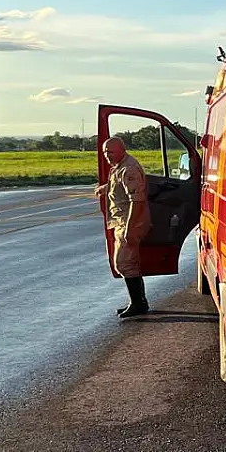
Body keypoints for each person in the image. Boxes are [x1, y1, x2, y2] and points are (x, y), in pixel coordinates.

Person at [94, 136, 152, 318]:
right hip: (123, 222)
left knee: (124, 263)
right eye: (105, 152)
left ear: (121, 150)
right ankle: (138, 301)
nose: (107, 156)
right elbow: (118, 186)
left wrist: (130, 228)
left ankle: (138, 304)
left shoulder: (129, 168)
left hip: (130, 222)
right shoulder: (120, 167)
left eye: (110, 152)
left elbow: (137, 200)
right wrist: (105, 188)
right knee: (127, 263)